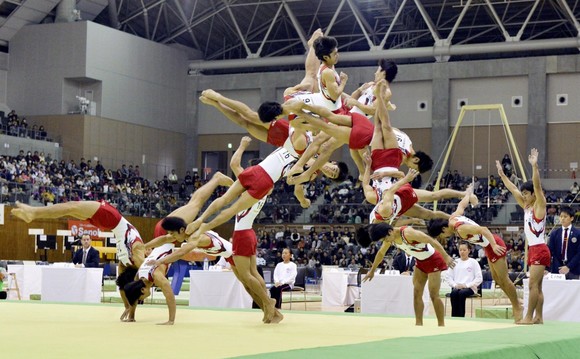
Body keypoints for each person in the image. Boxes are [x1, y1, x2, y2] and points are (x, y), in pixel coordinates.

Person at [11, 200, 145, 321]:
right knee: (71, 209)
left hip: (113, 219)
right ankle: (33, 213)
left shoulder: (128, 259)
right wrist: (131, 309)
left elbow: (124, 287)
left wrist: (129, 307)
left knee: (72, 207)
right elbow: (127, 287)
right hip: (110, 222)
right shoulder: (129, 259)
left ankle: (33, 213)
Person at [426, 185, 523, 322]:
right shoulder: (453, 218)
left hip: (493, 243)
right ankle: (516, 303)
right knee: (498, 280)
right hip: (487, 246)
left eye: (443, 236)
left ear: (443, 229)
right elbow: (462, 204)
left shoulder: (461, 229)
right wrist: (469, 194)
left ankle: (517, 307)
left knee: (504, 280)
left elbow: (483, 229)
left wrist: (494, 245)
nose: (446, 238)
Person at [356, 222, 455, 326]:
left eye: (385, 239)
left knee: (434, 295)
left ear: (390, 232)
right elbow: (381, 253)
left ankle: (441, 325)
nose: (386, 242)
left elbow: (431, 240)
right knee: (416, 293)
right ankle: (418, 324)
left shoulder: (408, 233)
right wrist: (372, 271)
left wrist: (446, 256)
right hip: (420, 261)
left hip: (434, 260)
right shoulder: (390, 237)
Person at [496, 148, 550, 325]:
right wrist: (502, 175)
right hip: (534, 249)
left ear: (534, 195)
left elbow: (537, 187)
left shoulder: (539, 206)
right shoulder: (527, 206)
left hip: (540, 248)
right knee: (538, 287)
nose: (524, 197)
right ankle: (539, 317)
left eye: (526, 194)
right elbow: (512, 189)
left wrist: (534, 166)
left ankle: (528, 316)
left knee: (532, 285)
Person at [123, 243, 176, 325]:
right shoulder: (138, 277)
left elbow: (170, 297)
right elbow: (134, 297)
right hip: (160, 245)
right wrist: (131, 317)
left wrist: (171, 320)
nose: (141, 300)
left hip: (170, 241)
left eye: (141, 298)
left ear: (143, 290)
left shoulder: (157, 276)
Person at [445, 243, 483, 317]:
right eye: (460, 250)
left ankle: (461, 316)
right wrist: (455, 285)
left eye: (464, 250)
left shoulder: (473, 262)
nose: (462, 252)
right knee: (454, 293)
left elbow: (479, 278)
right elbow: (448, 276)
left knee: (462, 293)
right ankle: (454, 317)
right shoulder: (454, 262)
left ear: (469, 251)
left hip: (469, 287)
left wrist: (466, 285)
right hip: (457, 287)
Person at [548, 206, 580, 279]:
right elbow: (551, 252)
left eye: (565, 216)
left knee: (573, 290)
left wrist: (568, 267)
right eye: (561, 216)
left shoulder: (578, 234)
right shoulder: (554, 233)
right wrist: (553, 267)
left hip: (573, 269)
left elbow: (579, 254)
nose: (562, 218)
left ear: (571, 218)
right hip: (557, 268)